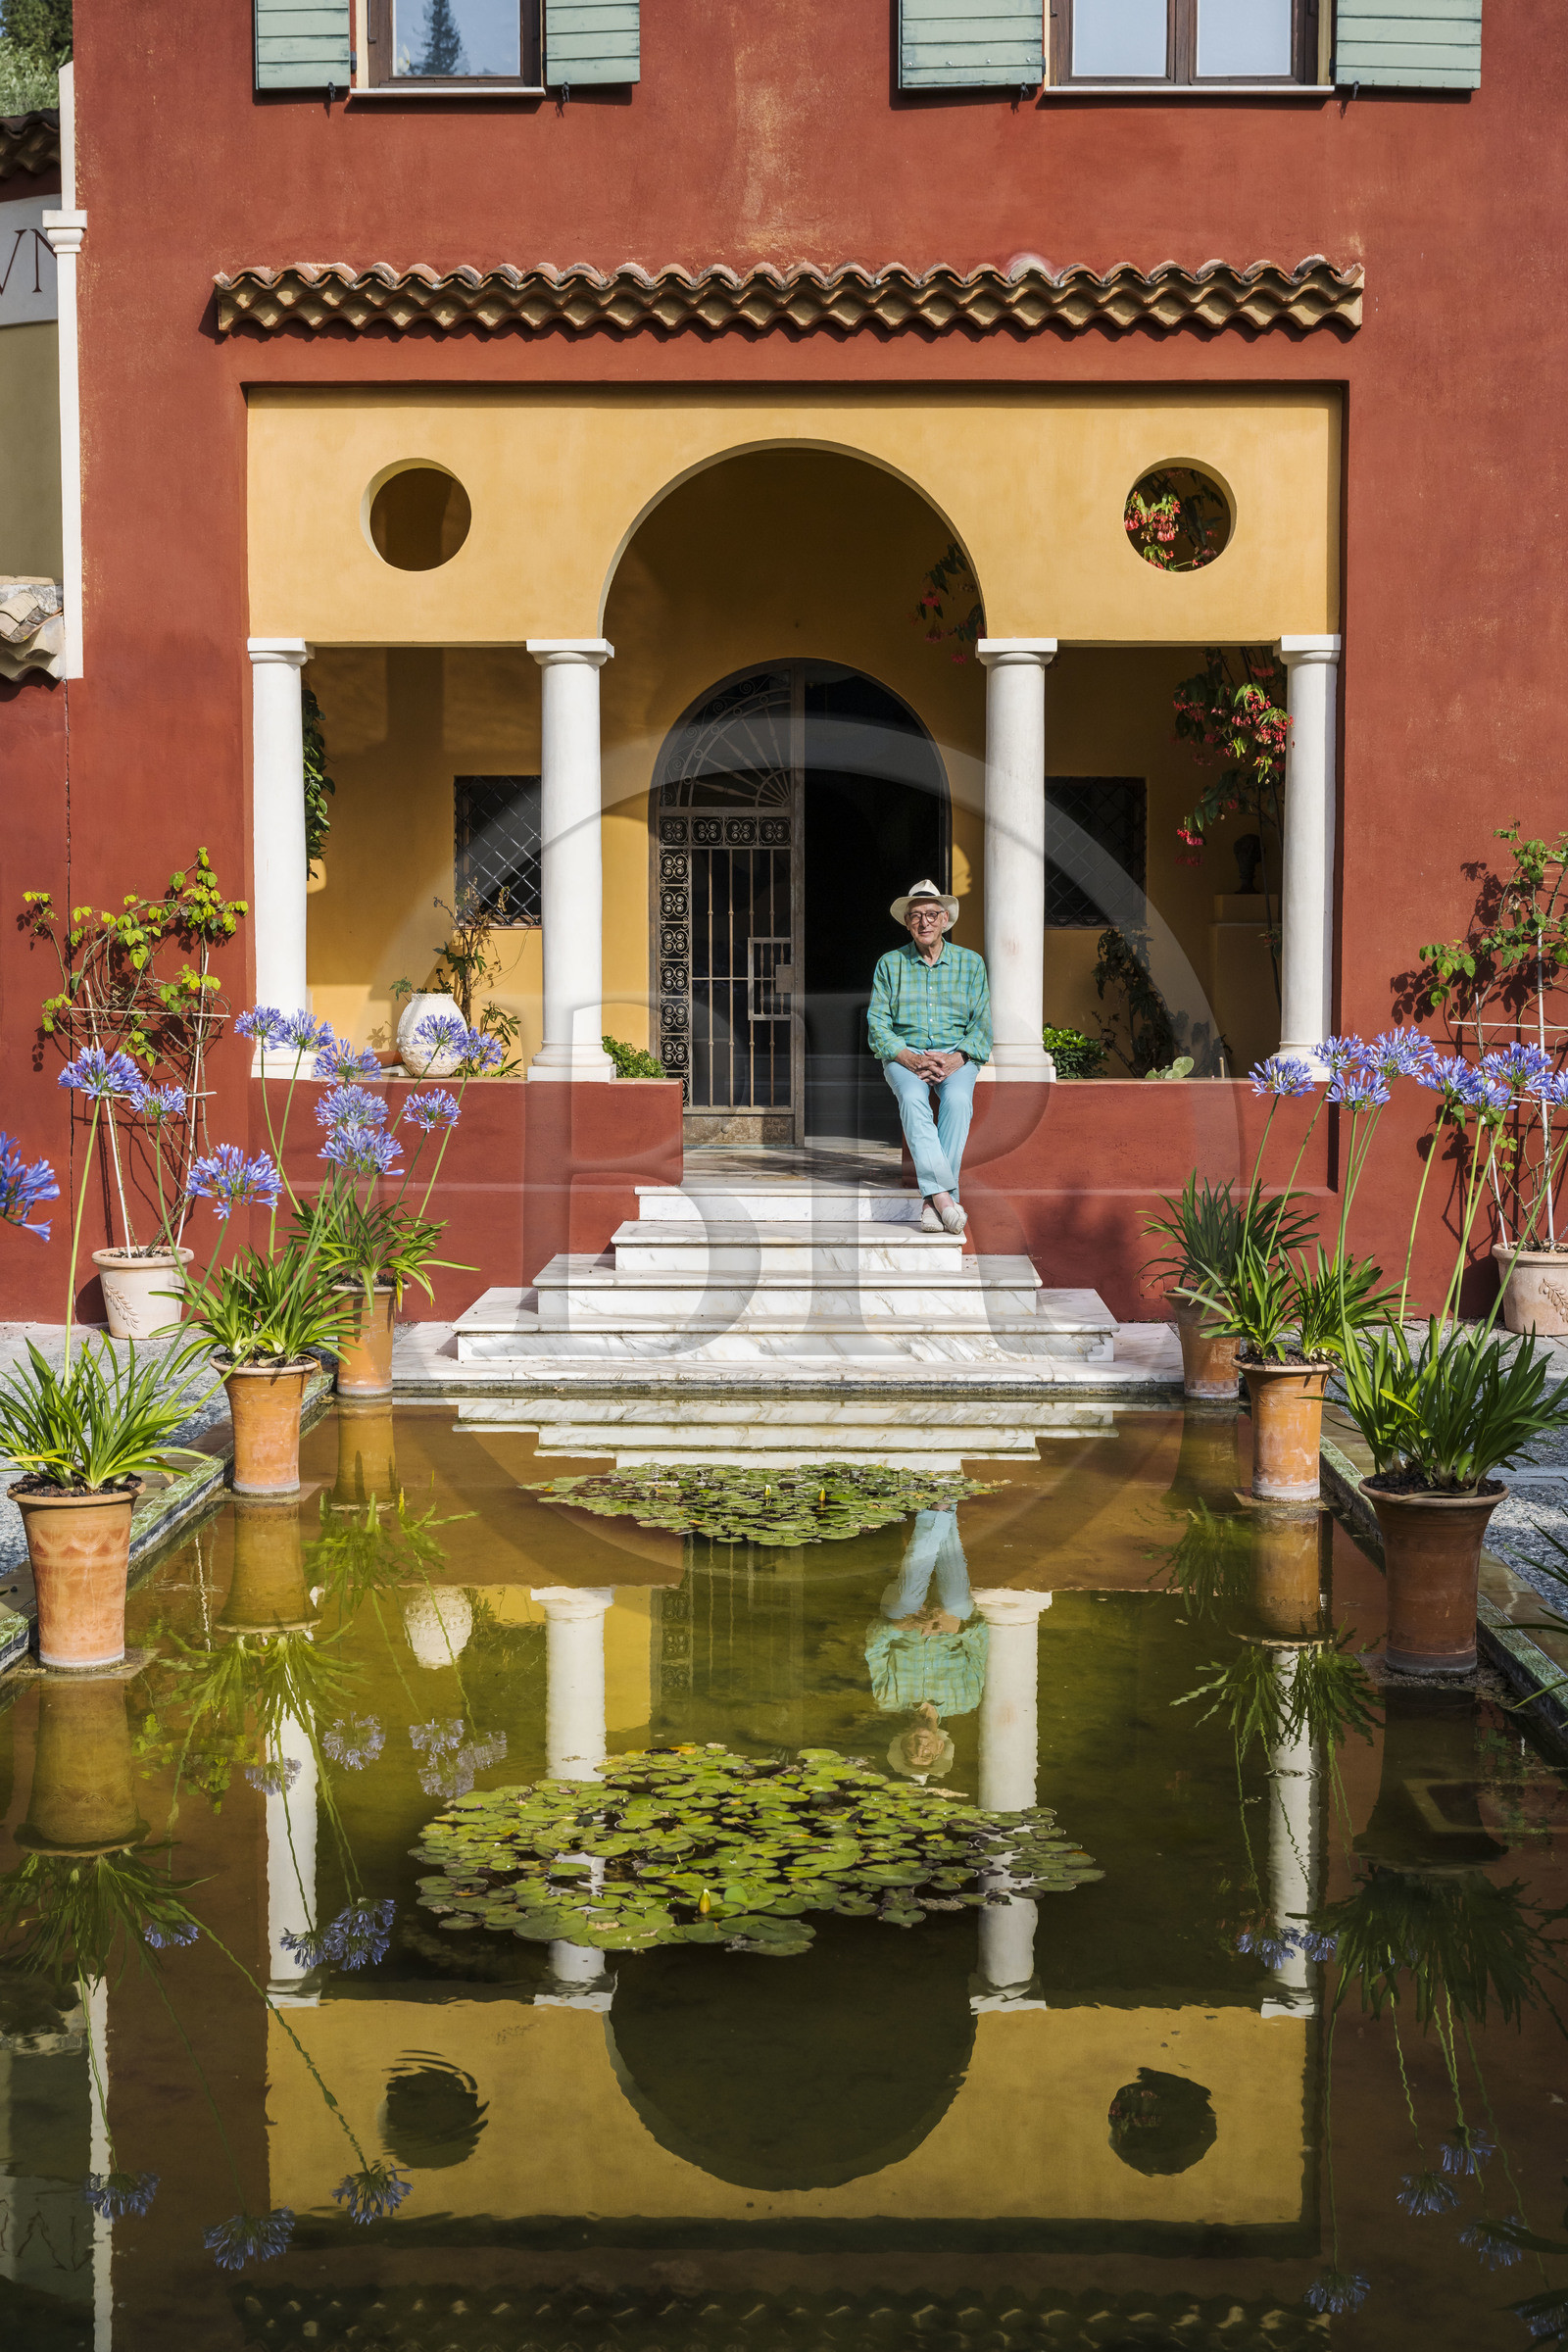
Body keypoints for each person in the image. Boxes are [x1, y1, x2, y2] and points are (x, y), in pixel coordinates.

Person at [866, 879, 990, 1236]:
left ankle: (933, 1200)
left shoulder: (971, 964)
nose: (925, 922)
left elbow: (982, 1020)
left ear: (945, 919)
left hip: (956, 1054)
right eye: (916, 916)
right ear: (907, 923)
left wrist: (960, 1057)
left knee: (957, 1101)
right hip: (906, 1053)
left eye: (932, 914)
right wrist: (906, 1057)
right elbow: (877, 1021)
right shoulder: (891, 964)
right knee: (912, 1098)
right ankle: (946, 1199)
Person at [864, 1508, 989, 1781]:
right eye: (929, 1754)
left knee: (908, 1598)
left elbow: (874, 1646)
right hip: (953, 1622)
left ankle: (937, 1511)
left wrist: (900, 1626)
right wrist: (955, 1627)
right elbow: (980, 1652)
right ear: (940, 1746)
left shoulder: (887, 1699)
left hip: (903, 1615)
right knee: (956, 1599)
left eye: (912, 1752)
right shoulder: (965, 1701)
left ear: (902, 1743)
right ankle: (944, 1510)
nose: (921, 1746)